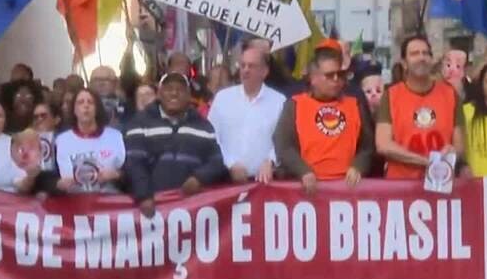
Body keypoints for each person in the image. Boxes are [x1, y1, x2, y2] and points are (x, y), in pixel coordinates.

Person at [124, 72, 226, 218]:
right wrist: (144, 195)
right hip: (152, 209)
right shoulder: (139, 122)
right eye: (168, 88)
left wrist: (199, 178)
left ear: (189, 95)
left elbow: (216, 161)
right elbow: (134, 162)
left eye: (180, 89)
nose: (174, 93)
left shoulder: (204, 125)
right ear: (159, 94)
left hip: (191, 210)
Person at [274, 48, 375, 194]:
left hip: (348, 189)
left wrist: (358, 166)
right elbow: (283, 145)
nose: (336, 79)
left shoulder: (355, 104)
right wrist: (302, 171)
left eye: (339, 74)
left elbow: (368, 145)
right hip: (308, 189)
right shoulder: (295, 104)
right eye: (329, 75)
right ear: (313, 78)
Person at [376, 35, 463, 179]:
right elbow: (383, 144)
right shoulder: (391, 95)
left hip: (441, 181)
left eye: (425, 53)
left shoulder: (450, 94)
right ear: (404, 62)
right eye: (415, 54)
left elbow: (460, 145)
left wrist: (452, 151)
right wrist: (425, 161)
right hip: (400, 186)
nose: (421, 58)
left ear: (431, 59)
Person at [208, 40, 285, 184]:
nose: (246, 70)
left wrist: (271, 161)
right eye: (242, 65)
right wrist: (230, 164)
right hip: (226, 181)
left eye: (252, 66)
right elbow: (212, 137)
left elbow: (283, 139)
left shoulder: (279, 101)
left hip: (264, 184)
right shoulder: (223, 98)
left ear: (265, 71)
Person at [55, 89, 126, 194]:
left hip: (108, 201)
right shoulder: (61, 141)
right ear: (74, 109)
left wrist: (117, 175)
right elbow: (50, 178)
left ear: (97, 108)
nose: (86, 106)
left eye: (90, 102)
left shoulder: (115, 136)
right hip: (73, 203)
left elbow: (130, 172)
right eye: (80, 102)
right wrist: (58, 184)